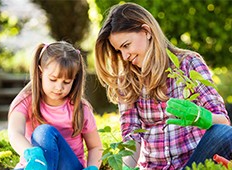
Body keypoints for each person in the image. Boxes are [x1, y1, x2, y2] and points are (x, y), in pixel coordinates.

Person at [94, 2, 232, 170]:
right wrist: (126, 168)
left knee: (224, 134)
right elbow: (132, 138)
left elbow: (224, 124)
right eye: (118, 51)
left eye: (126, 45)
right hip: (155, 168)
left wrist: (201, 117)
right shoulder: (127, 82)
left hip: (194, 163)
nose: (124, 56)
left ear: (147, 31)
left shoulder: (189, 64)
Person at [8, 41, 102, 170]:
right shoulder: (25, 101)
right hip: (36, 165)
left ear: (75, 79)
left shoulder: (80, 108)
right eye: (53, 79)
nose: (59, 87)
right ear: (40, 72)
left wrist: (92, 168)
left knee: (44, 132)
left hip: (69, 166)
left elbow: (95, 146)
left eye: (67, 82)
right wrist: (32, 154)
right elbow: (15, 133)